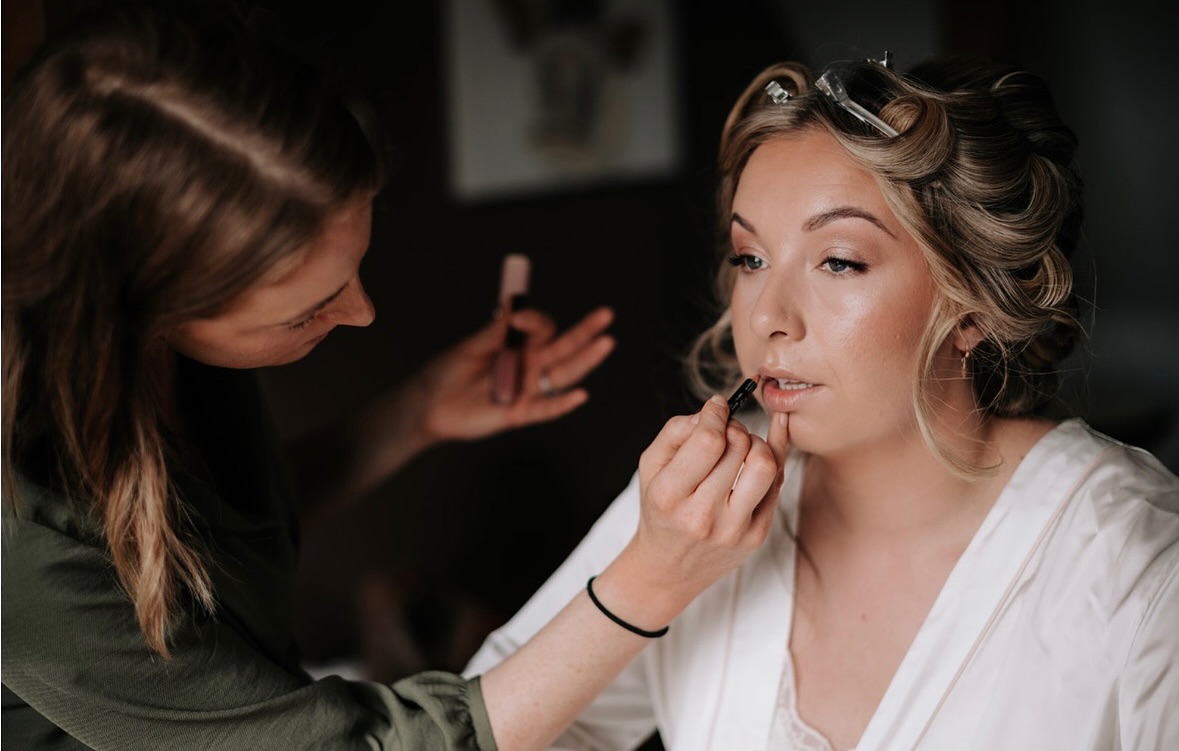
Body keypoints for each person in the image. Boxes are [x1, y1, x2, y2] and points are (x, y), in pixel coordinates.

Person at [1, 4, 791, 750]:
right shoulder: (19, 535)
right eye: (305, 310)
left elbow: (195, 534)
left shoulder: (144, 356)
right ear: (144, 304)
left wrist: (418, 414)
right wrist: (645, 588)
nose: (362, 314)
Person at [464, 53, 1179, 750]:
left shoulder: (1135, 569)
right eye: (750, 259)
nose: (769, 314)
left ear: (974, 308)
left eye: (838, 260)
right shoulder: (696, 510)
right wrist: (646, 578)